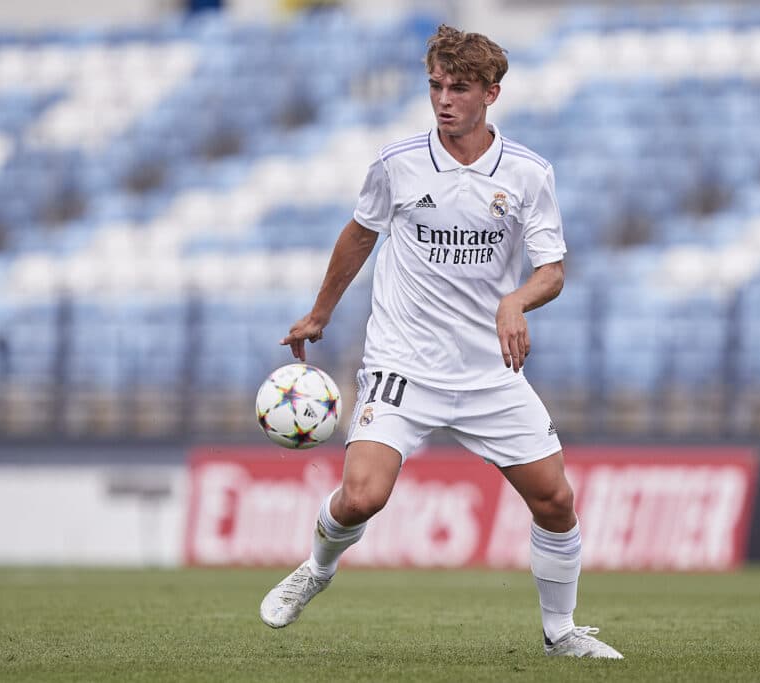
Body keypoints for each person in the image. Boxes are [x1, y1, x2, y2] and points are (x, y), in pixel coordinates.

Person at [260, 24, 622, 660]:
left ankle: (560, 633)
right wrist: (320, 314)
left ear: (492, 93)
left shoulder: (529, 174)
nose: (444, 99)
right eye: (435, 85)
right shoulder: (397, 163)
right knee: (363, 497)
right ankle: (316, 568)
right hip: (404, 363)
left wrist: (515, 301)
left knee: (556, 500)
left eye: (459, 87)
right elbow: (360, 234)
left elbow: (553, 271)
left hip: (488, 370)